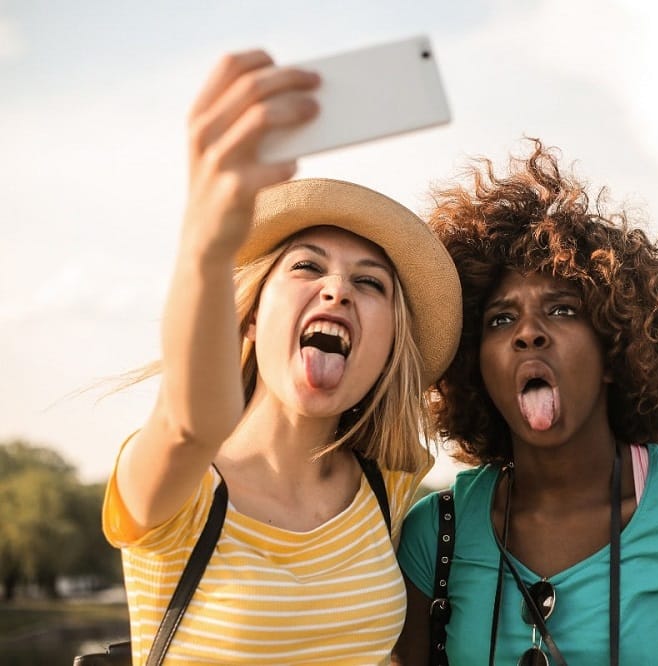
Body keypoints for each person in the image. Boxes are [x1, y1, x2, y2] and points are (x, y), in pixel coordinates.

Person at [102, 51, 461, 665]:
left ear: (388, 348)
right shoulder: (174, 487)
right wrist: (208, 241)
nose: (337, 290)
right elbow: (193, 420)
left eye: (370, 284)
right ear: (247, 314)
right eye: (307, 267)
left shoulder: (390, 489)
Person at [395, 140, 658, 665]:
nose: (528, 333)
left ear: (614, 347)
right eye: (501, 319)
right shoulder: (433, 535)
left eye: (561, 310)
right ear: (474, 365)